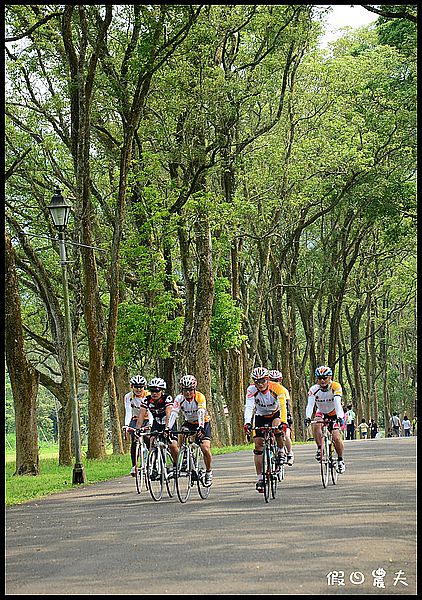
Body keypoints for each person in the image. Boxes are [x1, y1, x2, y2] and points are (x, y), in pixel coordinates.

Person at [243, 366, 289, 493]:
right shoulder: (251, 390)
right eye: (257, 381)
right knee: (258, 446)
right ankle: (260, 478)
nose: (260, 384)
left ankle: (280, 450)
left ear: (267, 380)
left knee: (276, 427)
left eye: (262, 381)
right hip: (260, 416)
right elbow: (249, 406)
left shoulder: (277, 388)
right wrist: (247, 423)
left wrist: (284, 422)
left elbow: (283, 406)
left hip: (275, 414)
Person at [168, 375, 213, 486]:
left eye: (190, 390)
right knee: (182, 433)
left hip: (203, 422)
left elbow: (201, 412)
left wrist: (201, 427)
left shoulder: (200, 397)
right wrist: (168, 428)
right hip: (189, 423)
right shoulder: (179, 399)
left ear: (194, 389)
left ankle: (208, 472)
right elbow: (174, 413)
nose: (187, 392)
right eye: (185, 390)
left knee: (205, 448)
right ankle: (184, 458)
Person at [304, 365, 346, 474]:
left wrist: (340, 417)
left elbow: (337, 403)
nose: (322, 380)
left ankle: (340, 460)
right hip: (321, 412)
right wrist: (307, 417)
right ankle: (319, 448)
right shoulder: (314, 389)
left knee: (336, 438)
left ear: (330, 377)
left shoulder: (336, 386)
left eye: (325, 378)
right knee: (316, 424)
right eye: (319, 378)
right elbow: (310, 405)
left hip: (334, 413)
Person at [135, 377, 179, 465]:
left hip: (168, 422)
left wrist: (167, 428)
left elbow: (168, 415)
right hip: (157, 423)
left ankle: (176, 464)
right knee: (152, 442)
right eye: (152, 391)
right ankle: (152, 466)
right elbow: (141, 416)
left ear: (162, 391)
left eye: (157, 391)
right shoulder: (146, 400)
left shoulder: (167, 398)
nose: (154, 393)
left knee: (172, 445)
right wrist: (137, 430)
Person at [123, 375, 150, 476]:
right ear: (132, 386)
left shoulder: (148, 395)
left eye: (141, 387)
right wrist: (126, 425)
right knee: (135, 439)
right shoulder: (128, 396)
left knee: (148, 438)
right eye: (136, 386)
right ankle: (134, 466)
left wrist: (150, 423)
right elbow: (128, 412)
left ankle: (151, 460)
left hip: (147, 418)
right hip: (135, 419)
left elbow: (151, 412)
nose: (139, 389)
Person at [268, 369, 294, 466]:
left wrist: (287, 419)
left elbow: (286, 406)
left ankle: (290, 453)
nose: (274, 383)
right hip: (269, 415)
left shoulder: (283, 390)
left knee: (286, 435)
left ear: (280, 380)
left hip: (282, 414)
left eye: (276, 380)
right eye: (272, 380)